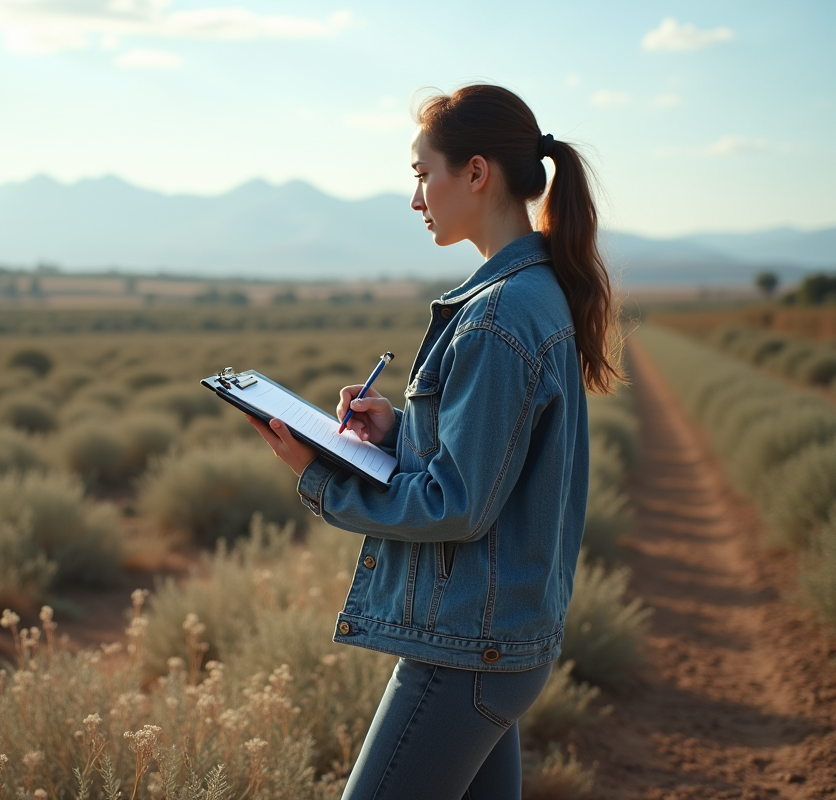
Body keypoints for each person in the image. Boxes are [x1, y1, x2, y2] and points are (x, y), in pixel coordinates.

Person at [246, 83, 622, 799]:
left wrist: (322, 477)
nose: (416, 198)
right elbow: (490, 468)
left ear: (475, 173)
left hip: (466, 650)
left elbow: (457, 505)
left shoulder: (496, 316)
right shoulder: (536, 293)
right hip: (496, 640)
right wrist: (398, 435)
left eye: (422, 174)